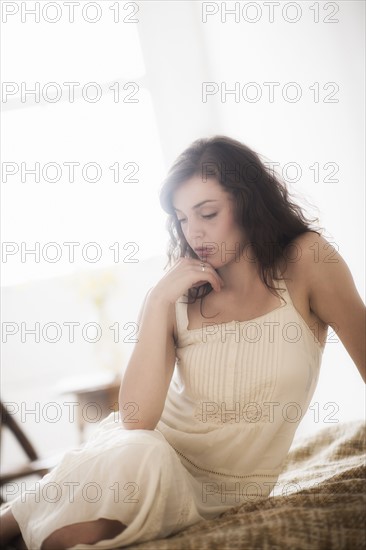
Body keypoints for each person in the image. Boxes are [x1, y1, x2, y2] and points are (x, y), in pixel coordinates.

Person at [1, 135, 365, 549]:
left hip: (228, 489)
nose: (194, 232)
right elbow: (135, 421)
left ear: (248, 203)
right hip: (149, 458)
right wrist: (157, 299)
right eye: (183, 219)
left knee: (119, 478)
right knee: (135, 462)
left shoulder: (306, 261)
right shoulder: (179, 291)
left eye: (207, 213)